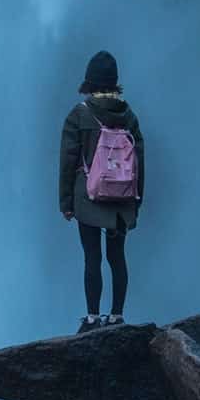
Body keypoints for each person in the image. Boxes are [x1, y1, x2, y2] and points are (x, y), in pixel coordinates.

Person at [59, 50, 145, 329]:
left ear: (90, 83)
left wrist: (66, 202)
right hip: (122, 198)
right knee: (117, 256)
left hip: (89, 198)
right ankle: (117, 315)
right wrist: (137, 200)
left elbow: (68, 161)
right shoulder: (128, 115)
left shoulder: (79, 115)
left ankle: (93, 317)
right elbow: (139, 162)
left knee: (92, 256)